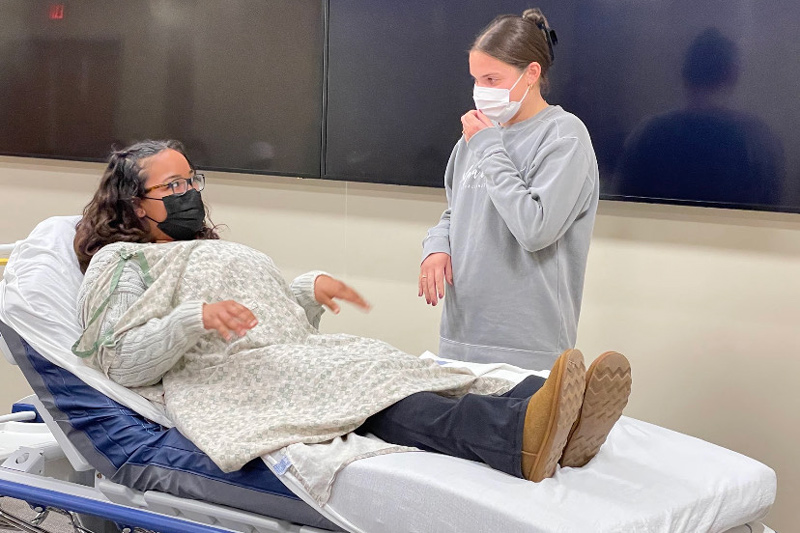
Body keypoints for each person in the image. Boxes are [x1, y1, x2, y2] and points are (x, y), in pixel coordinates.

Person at [72, 140, 629, 494]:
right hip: (232, 383)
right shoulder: (122, 262)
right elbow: (119, 359)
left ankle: (554, 407)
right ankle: (520, 438)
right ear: (134, 203)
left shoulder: (210, 247)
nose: (190, 192)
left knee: (396, 367)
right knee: (380, 394)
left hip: (289, 360)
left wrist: (305, 293)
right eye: (173, 186)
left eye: (192, 180)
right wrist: (194, 319)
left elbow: (275, 322)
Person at [420, 8, 600, 371]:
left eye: (491, 79)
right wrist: (436, 246)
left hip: (528, 349)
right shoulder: (476, 138)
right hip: (461, 337)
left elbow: (535, 229)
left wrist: (488, 146)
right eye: (476, 79)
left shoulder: (564, 137)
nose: (479, 92)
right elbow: (458, 210)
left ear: (531, 73)